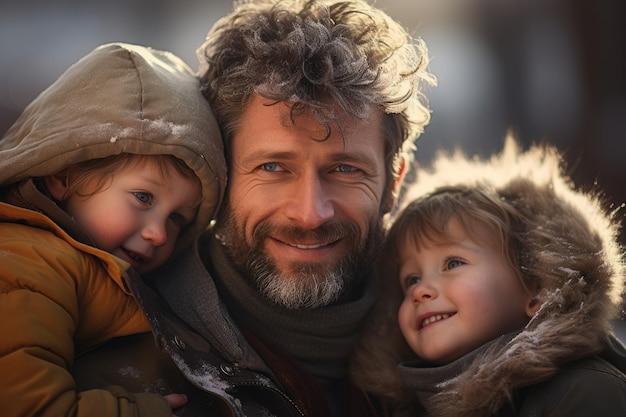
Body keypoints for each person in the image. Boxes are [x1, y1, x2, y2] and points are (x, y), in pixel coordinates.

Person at [69, 0, 436, 416]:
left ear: (394, 183)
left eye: (345, 169)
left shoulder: (472, 349)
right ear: (220, 176)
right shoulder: (111, 377)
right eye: (273, 167)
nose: (310, 213)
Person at [0, 43, 226, 417]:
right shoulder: (29, 263)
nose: (158, 234)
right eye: (143, 197)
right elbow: (25, 405)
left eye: (177, 219)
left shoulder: (92, 265)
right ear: (64, 174)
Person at [351, 137, 626, 416]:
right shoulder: (402, 408)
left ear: (537, 288)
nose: (420, 291)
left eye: (453, 263)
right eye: (411, 279)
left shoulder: (583, 391)